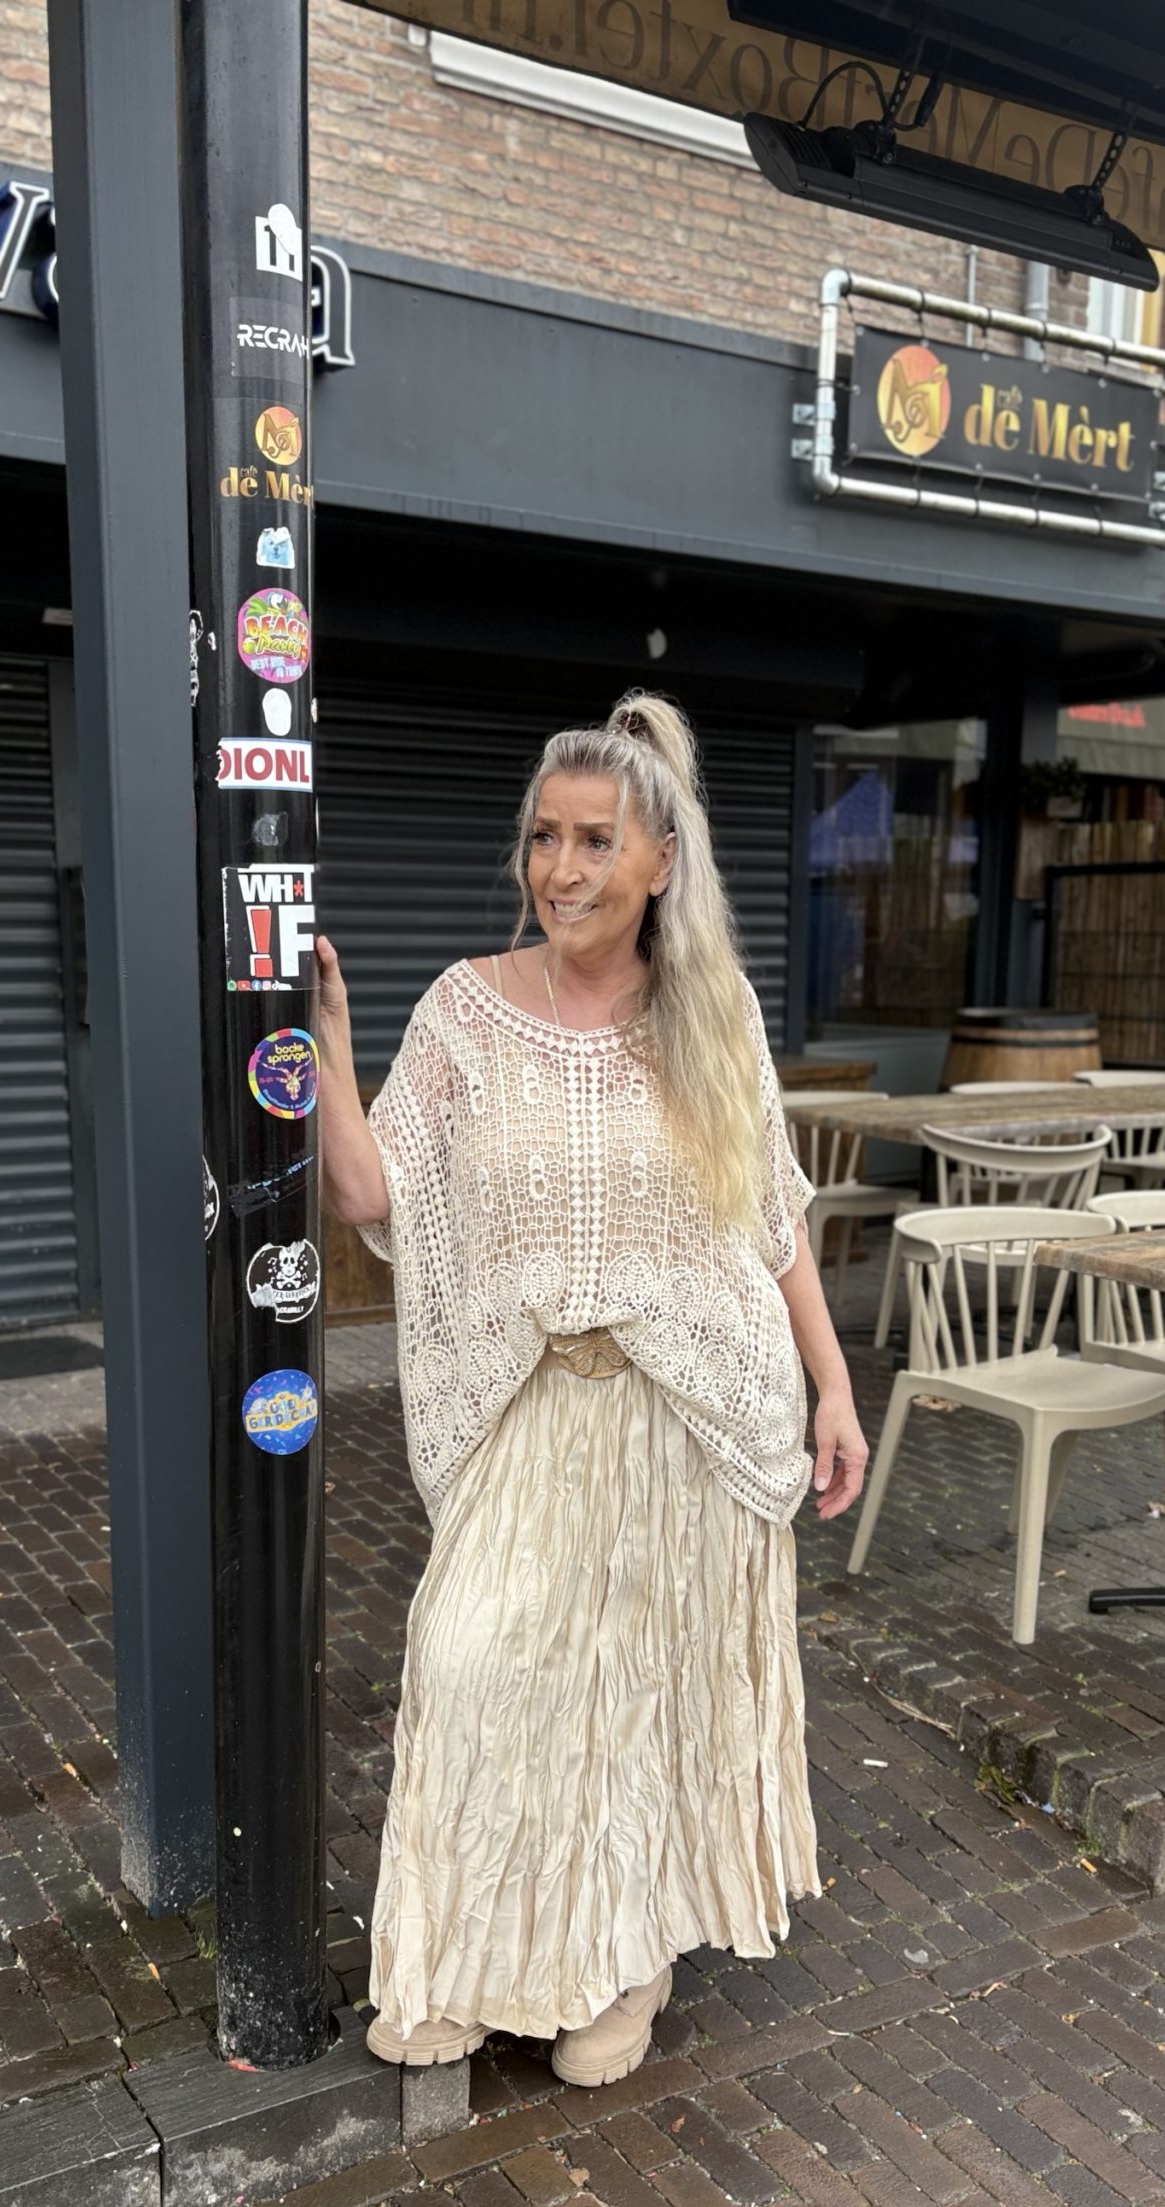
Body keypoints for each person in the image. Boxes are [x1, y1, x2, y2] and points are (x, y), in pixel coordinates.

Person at [315, 692, 867, 2088]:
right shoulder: (464, 1009)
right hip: (534, 1407)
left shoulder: (712, 1016)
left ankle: (627, 1959)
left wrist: (834, 1389)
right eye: (544, 838)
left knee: (636, 1702)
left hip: (691, 1416)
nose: (561, 869)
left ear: (661, 860)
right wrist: (326, 1041)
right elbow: (373, 1193)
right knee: (474, 1666)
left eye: (595, 840)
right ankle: (471, 1959)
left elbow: (772, 1222)